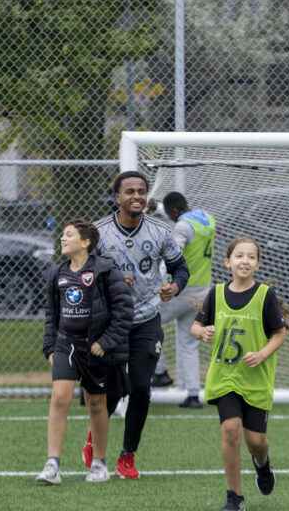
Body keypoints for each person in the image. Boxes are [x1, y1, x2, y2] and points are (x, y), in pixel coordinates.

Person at [83, 170, 189, 479]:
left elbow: (180, 268)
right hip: (111, 322)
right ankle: (94, 439)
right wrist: (110, 278)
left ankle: (127, 456)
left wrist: (176, 287)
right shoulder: (99, 232)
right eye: (129, 191)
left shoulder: (159, 232)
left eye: (141, 191)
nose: (136, 196)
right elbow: (82, 270)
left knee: (142, 388)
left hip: (146, 319)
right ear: (117, 198)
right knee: (113, 390)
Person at [191, 237, 289, 511]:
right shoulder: (216, 293)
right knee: (230, 430)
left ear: (257, 263)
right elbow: (196, 326)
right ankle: (234, 498)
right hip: (224, 376)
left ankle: (262, 464)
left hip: (255, 379)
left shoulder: (264, 295)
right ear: (227, 262)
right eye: (239, 256)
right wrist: (203, 332)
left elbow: (279, 333)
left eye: (250, 257)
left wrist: (262, 354)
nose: (244, 261)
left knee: (256, 441)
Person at [36, 220, 133, 485]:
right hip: (66, 343)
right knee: (59, 397)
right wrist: (49, 346)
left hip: (95, 348)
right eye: (63, 235)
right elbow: (51, 315)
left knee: (96, 403)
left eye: (69, 235)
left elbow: (124, 311)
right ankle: (52, 464)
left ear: (86, 242)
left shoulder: (105, 270)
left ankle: (99, 463)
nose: (63, 239)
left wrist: (106, 342)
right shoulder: (57, 273)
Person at [153, 191, 217, 408]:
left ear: (173, 212)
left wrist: (161, 282)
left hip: (181, 291)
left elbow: (173, 255)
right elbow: (177, 214)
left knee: (149, 324)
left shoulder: (181, 228)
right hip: (203, 292)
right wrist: (157, 208)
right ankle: (192, 394)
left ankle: (160, 372)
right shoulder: (207, 218)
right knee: (189, 343)